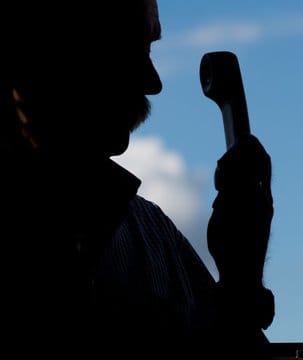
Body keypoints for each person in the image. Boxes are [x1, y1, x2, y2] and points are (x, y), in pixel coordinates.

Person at [1, 0, 275, 356]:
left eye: (149, 50)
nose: (153, 83)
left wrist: (241, 278)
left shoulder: (151, 231)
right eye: (131, 48)